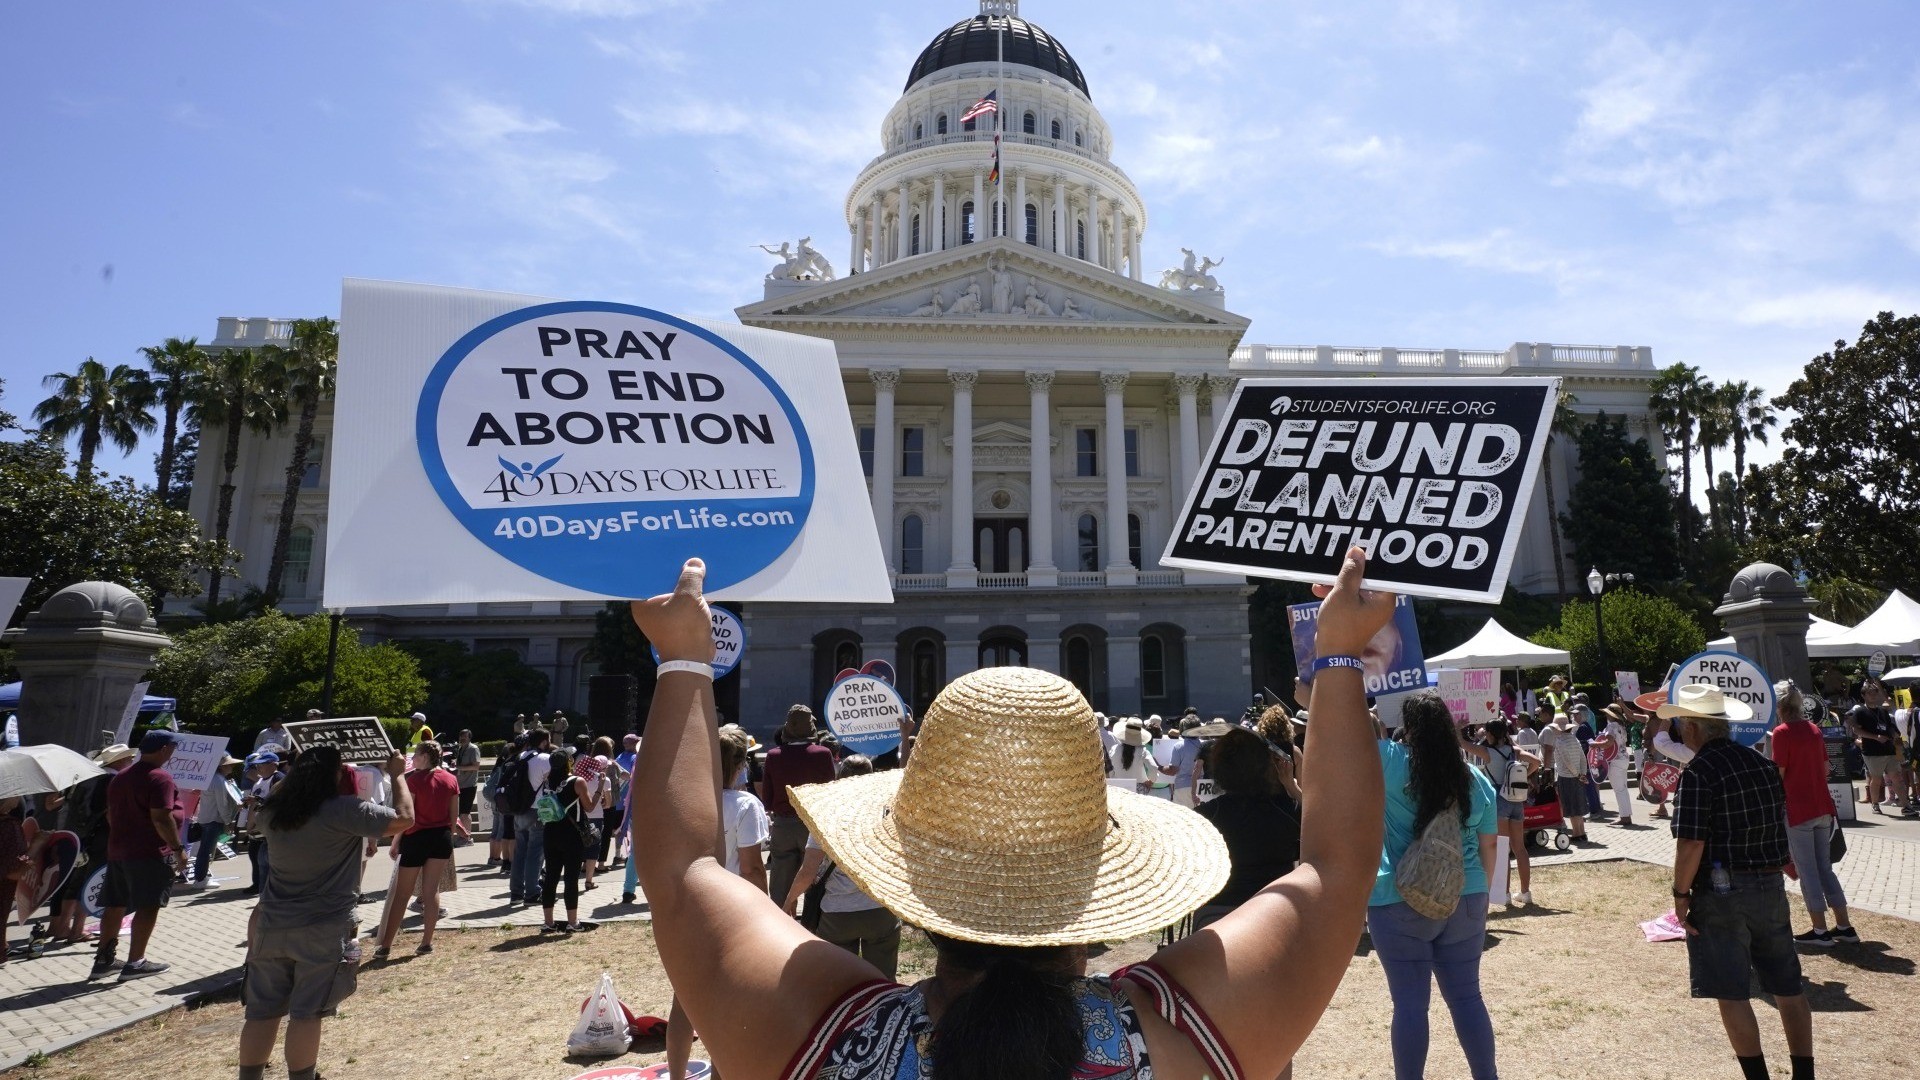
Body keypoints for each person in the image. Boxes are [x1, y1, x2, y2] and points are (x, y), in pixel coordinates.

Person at [629, 547, 1395, 1080]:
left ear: (912, 886)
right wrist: (1335, 657)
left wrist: (684, 659)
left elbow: (682, 867)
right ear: (1100, 887)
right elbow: (1337, 864)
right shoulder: (1176, 1034)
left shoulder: (823, 1032)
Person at [238, 747, 413, 1080]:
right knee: (306, 1013)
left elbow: (269, 801)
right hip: (323, 928)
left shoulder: (274, 813)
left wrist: (298, 771)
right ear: (334, 776)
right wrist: (398, 774)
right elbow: (404, 818)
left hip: (271, 925)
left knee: (261, 1013)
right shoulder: (344, 810)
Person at [1666, 684, 1813, 1080]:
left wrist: (1680, 894)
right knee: (1788, 984)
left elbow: (1692, 841)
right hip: (1769, 884)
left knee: (1730, 990)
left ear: (1693, 728)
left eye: (1681, 723)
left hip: (1721, 890)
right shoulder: (1761, 763)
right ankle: (1804, 1074)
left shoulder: (1699, 771)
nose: (1680, 730)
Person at [1368, 691, 1501, 1080]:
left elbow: (1348, 739)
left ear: (1408, 730)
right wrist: (1482, 896)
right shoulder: (1476, 779)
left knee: (1409, 1005)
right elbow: (1489, 845)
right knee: (1467, 997)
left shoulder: (1389, 762)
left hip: (1400, 896)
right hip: (1468, 894)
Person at [665, 724, 771, 1079]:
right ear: (741, 764)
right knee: (728, 1007)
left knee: (684, 1002)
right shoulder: (745, 805)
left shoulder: (689, 802)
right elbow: (753, 869)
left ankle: (677, 1075)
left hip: (689, 910)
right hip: (732, 916)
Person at [782, 754, 900, 977]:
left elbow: (808, 871)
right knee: (885, 981)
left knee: (840, 983)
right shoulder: (887, 816)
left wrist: (790, 899)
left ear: (839, 778)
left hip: (837, 914)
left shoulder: (825, 818)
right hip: (881, 909)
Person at [92, 730, 188, 981]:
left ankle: (104, 960)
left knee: (115, 904)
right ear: (165, 749)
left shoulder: (120, 777)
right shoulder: (160, 778)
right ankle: (135, 963)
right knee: (148, 905)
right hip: (150, 853)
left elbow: (110, 815)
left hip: (119, 851)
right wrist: (178, 849)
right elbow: (161, 817)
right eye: (173, 748)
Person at [1192, 718, 1301, 933]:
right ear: (1266, 767)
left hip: (1216, 917)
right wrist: (1291, 785)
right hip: (1275, 912)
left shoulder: (1205, 816)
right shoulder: (1289, 810)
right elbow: (1320, 826)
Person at [1768, 681, 1856, 946]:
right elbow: (1826, 768)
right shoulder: (1815, 730)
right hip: (1823, 807)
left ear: (1779, 706)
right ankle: (1844, 925)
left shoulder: (1781, 733)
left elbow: (1778, 775)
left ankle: (1820, 930)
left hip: (1798, 809)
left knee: (1807, 872)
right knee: (1824, 869)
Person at [374, 741, 465, 957]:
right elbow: (454, 816)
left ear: (424, 757)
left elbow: (407, 816)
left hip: (416, 837)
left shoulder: (412, 780)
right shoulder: (450, 779)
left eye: (415, 755)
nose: (412, 759)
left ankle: (386, 944)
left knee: (402, 894)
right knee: (431, 890)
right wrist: (448, 836)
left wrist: (396, 842)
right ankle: (426, 942)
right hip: (441, 837)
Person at [759, 705, 837, 908]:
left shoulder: (773, 755)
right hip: (813, 825)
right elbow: (831, 792)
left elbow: (767, 798)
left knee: (779, 882)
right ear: (811, 727)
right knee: (814, 877)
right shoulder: (823, 754)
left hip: (783, 825)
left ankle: (780, 921)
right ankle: (811, 922)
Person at [1461, 718, 1540, 907]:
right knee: (1520, 847)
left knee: (1503, 849)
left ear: (1489, 734)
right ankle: (1525, 892)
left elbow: (1462, 744)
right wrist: (1522, 775)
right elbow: (1537, 761)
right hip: (1516, 799)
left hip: (1499, 799)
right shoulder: (1513, 750)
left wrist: (1458, 728)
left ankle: (1504, 894)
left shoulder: (1486, 752)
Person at [539, 748, 596, 934]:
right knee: (571, 879)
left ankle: (548, 922)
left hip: (550, 833)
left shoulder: (546, 781)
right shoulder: (577, 782)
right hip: (571, 835)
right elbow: (589, 807)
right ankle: (573, 922)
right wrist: (600, 788)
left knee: (551, 878)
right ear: (568, 763)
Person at [508, 729, 553, 906]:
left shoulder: (520, 756)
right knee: (535, 853)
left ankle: (516, 893)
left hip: (519, 810)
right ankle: (532, 893)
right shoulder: (544, 759)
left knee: (519, 852)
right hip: (537, 809)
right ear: (543, 741)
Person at [1847, 680, 1903, 814]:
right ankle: (1875, 804)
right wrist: (1875, 737)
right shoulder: (1860, 711)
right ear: (1864, 695)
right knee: (1876, 778)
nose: (1873, 695)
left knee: (1896, 776)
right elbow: (1856, 731)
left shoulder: (1882, 711)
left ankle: (1905, 805)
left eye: (1875, 692)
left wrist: (1894, 734)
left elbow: (1889, 727)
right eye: (1870, 693)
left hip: (1888, 749)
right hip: (1872, 751)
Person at [190, 755, 244, 886]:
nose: (231, 766)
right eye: (229, 764)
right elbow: (222, 804)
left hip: (206, 818)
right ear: (222, 766)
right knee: (207, 850)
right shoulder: (219, 781)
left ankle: (201, 877)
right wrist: (228, 820)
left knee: (205, 849)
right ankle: (201, 879)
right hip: (213, 819)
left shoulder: (211, 779)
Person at [1540, 710, 1590, 844]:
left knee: (1572, 807)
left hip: (1567, 777)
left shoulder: (1559, 742)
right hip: (1578, 776)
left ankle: (1576, 833)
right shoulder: (1575, 739)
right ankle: (1582, 832)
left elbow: (1566, 761)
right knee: (1578, 805)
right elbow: (1582, 758)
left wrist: (1577, 774)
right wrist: (1582, 774)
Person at [582, 736, 616, 890]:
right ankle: (589, 880)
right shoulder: (604, 780)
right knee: (593, 849)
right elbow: (608, 805)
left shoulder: (581, 777)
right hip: (596, 816)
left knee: (580, 845)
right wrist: (602, 799)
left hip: (580, 816)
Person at [1595, 705, 1636, 826]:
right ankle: (1626, 815)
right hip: (1624, 758)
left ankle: (1624, 817)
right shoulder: (1621, 726)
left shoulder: (1611, 726)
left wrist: (1595, 744)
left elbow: (1608, 743)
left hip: (1615, 760)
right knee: (1623, 788)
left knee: (1619, 790)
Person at [452, 729, 482, 828]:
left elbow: (476, 766)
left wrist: (459, 767)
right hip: (460, 785)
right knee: (461, 813)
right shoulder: (460, 749)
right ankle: (464, 836)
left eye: (464, 736)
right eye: (461, 736)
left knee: (465, 813)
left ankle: (467, 837)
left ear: (469, 737)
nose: (462, 738)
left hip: (469, 785)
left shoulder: (473, 749)